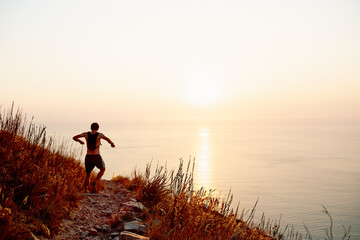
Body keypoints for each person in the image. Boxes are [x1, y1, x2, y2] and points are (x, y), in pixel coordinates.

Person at [73, 122, 115, 192]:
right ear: (98, 128)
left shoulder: (85, 134)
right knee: (103, 169)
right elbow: (107, 139)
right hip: (96, 156)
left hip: (88, 156)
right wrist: (112, 144)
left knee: (88, 174)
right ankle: (95, 181)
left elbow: (74, 137)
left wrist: (80, 141)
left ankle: (85, 190)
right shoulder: (99, 135)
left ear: (91, 128)